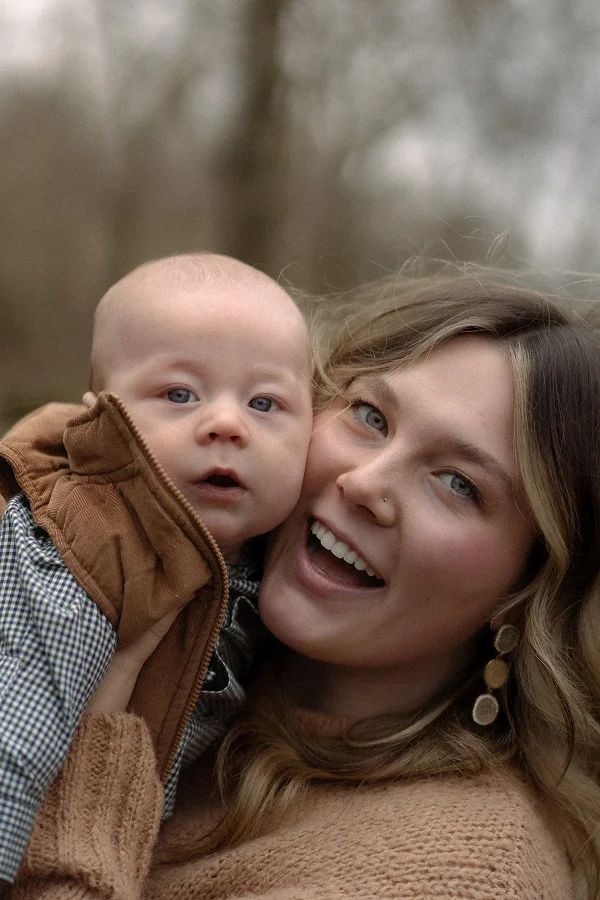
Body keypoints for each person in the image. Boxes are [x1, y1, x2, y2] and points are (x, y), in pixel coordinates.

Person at [10, 268, 600, 899]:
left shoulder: (465, 874)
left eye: (458, 483)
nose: (365, 483)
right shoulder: (145, 598)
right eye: (370, 416)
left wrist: (96, 763)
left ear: (527, 588)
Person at [0, 253, 313, 884]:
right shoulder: (84, 547)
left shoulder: (264, 564)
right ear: (99, 418)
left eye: (264, 402)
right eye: (179, 394)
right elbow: (14, 734)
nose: (226, 424)